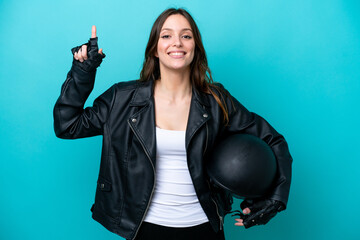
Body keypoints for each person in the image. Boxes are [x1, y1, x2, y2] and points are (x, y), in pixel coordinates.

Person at [53, 8, 292, 240]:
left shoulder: (217, 100)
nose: (176, 42)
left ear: (194, 48)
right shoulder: (122, 99)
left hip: (204, 229)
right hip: (144, 229)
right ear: (155, 50)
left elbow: (273, 140)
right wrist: (83, 71)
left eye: (186, 36)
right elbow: (67, 125)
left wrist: (275, 199)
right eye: (166, 35)